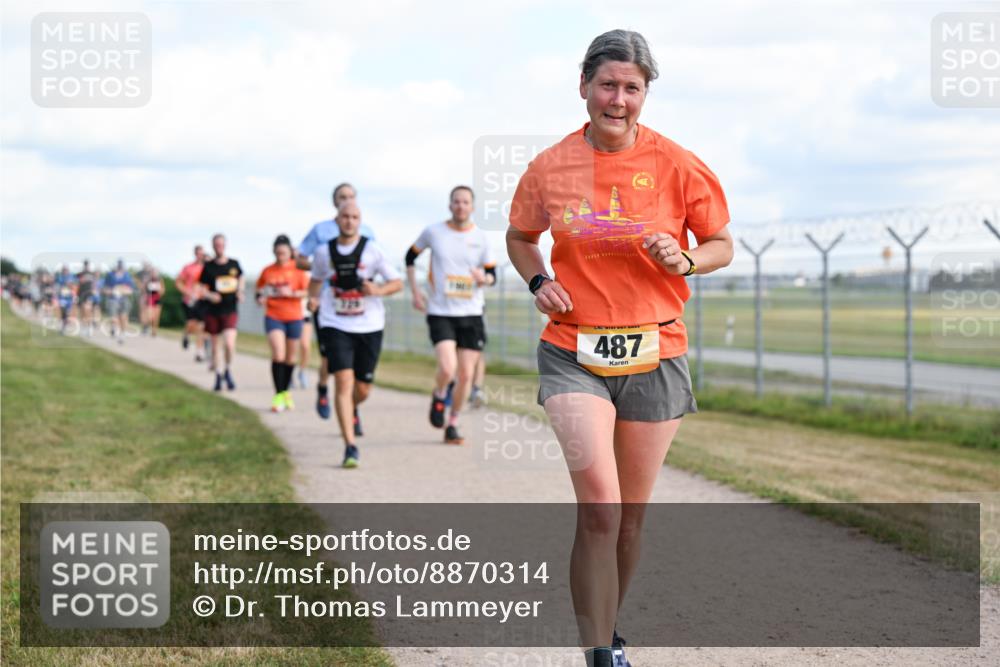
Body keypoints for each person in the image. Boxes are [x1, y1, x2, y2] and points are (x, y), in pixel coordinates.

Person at [505, 30, 733, 667]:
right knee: (601, 507)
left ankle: (608, 625)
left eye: (633, 87)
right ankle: (599, 652)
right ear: (583, 87)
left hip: (655, 351)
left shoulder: (678, 163)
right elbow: (521, 237)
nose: (619, 99)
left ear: (645, 95)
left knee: (630, 518)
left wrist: (686, 257)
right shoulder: (549, 167)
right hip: (573, 350)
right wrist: (539, 280)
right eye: (608, 84)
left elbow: (721, 243)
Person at [308, 202, 402, 468]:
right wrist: (312, 299)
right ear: (337, 220)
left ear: (360, 221)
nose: (349, 221)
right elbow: (315, 281)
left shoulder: (372, 251)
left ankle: (352, 409)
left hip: (369, 325)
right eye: (345, 217)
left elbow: (396, 283)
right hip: (334, 323)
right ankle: (350, 446)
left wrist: (378, 290)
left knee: (362, 388)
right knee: (343, 381)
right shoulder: (323, 252)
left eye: (355, 217)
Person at [406, 186, 495, 445]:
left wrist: (485, 279)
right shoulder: (434, 232)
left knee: (466, 375)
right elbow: (409, 257)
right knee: (448, 368)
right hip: (440, 311)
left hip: (471, 312)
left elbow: (492, 275)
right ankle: (440, 392)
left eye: (465, 202)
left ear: (472, 207)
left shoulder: (481, 237)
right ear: (449, 205)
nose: (460, 206)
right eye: (456, 202)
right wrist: (415, 291)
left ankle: (453, 422)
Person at [296, 183, 376, 419]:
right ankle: (322, 387)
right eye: (342, 197)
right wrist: (328, 267)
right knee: (329, 356)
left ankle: (353, 410)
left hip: (358, 303)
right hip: (329, 300)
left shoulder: (367, 231)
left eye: (351, 197)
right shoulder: (320, 230)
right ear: (334, 202)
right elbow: (301, 260)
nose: (346, 200)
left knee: (356, 366)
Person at [256, 235, 310, 412]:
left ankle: (286, 391)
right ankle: (278, 395)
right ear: (274, 252)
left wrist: (291, 293)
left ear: (289, 253)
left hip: (294, 316)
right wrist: (260, 298)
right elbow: (259, 289)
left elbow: (308, 291)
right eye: (278, 253)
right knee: (278, 355)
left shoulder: (298, 270)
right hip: (273, 315)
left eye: (284, 253)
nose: (280, 256)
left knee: (290, 358)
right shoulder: (268, 271)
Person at [199, 234, 244, 391]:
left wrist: (240, 291)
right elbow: (201, 289)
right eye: (216, 245)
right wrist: (211, 295)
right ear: (213, 246)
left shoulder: (234, 264)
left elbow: (241, 279)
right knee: (216, 346)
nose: (219, 247)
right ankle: (218, 375)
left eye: (221, 244)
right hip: (213, 311)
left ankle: (228, 370)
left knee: (230, 344)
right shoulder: (209, 267)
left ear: (225, 245)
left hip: (230, 309)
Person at [177, 245, 207, 360]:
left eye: (202, 253)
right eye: (198, 253)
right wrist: (187, 292)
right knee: (191, 323)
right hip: (189, 299)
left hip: (202, 299)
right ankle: (186, 334)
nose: (200, 255)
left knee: (201, 326)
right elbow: (178, 282)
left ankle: (199, 351)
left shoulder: (207, 268)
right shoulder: (188, 267)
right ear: (195, 254)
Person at [102, 260, 136, 344]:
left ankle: (122, 334)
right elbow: (104, 289)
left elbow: (131, 290)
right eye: (118, 267)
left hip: (124, 299)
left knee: (123, 316)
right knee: (114, 317)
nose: (119, 269)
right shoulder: (110, 275)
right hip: (112, 299)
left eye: (121, 267)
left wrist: (123, 291)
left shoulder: (127, 276)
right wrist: (112, 291)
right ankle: (114, 327)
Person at [76, 260, 98, 337]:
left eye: (87, 265)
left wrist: (94, 290)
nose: (86, 266)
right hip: (81, 294)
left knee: (87, 310)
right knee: (82, 312)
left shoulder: (91, 274)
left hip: (89, 294)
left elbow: (94, 283)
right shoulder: (79, 274)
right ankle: (84, 327)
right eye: (85, 265)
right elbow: (76, 283)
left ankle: (89, 327)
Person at [54, 265, 78, 334]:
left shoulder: (72, 277)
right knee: (63, 311)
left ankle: (65, 324)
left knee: (68, 312)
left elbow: (75, 286)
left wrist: (74, 294)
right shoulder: (59, 277)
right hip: (62, 297)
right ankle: (64, 324)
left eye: (66, 270)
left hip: (69, 298)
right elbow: (57, 287)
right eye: (64, 270)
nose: (65, 271)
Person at [143, 268, 164, 337]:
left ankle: (154, 331)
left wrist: (159, 291)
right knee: (150, 316)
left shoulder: (160, 280)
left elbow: (162, 290)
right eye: (152, 273)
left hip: (157, 299)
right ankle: (146, 326)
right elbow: (144, 290)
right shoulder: (148, 281)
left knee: (156, 317)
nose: (154, 274)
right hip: (149, 299)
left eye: (155, 273)